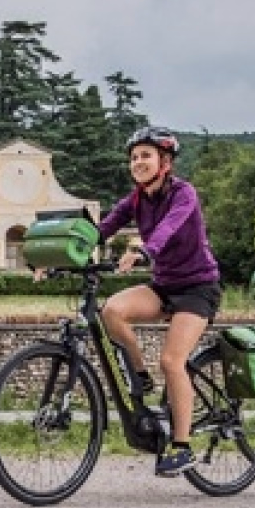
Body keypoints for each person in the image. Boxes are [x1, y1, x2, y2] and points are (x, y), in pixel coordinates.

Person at [95, 126, 222, 477]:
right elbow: (102, 228)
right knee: (112, 311)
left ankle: (182, 447)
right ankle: (140, 377)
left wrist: (143, 249)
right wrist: (60, 251)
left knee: (171, 361)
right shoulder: (135, 199)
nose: (138, 162)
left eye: (145, 156)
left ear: (164, 162)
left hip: (198, 288)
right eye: (134, 157)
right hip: (164, 286)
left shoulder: (184, 193)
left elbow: (169, 227)